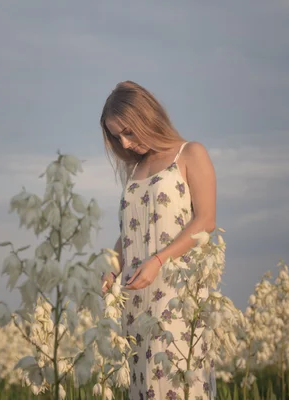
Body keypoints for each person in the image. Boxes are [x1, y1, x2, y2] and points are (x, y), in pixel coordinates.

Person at [100, 81, 217, 399]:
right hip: (135, 298)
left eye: (128, 131)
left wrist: (159, 260)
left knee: (180, 382)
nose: (124, 142)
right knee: (143, 386)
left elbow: (205, 220)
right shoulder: (135, 168)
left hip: (176, 295)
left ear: (146, 118)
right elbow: (130, 230)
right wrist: (112, 267)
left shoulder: (190, 153)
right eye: (116, 136)